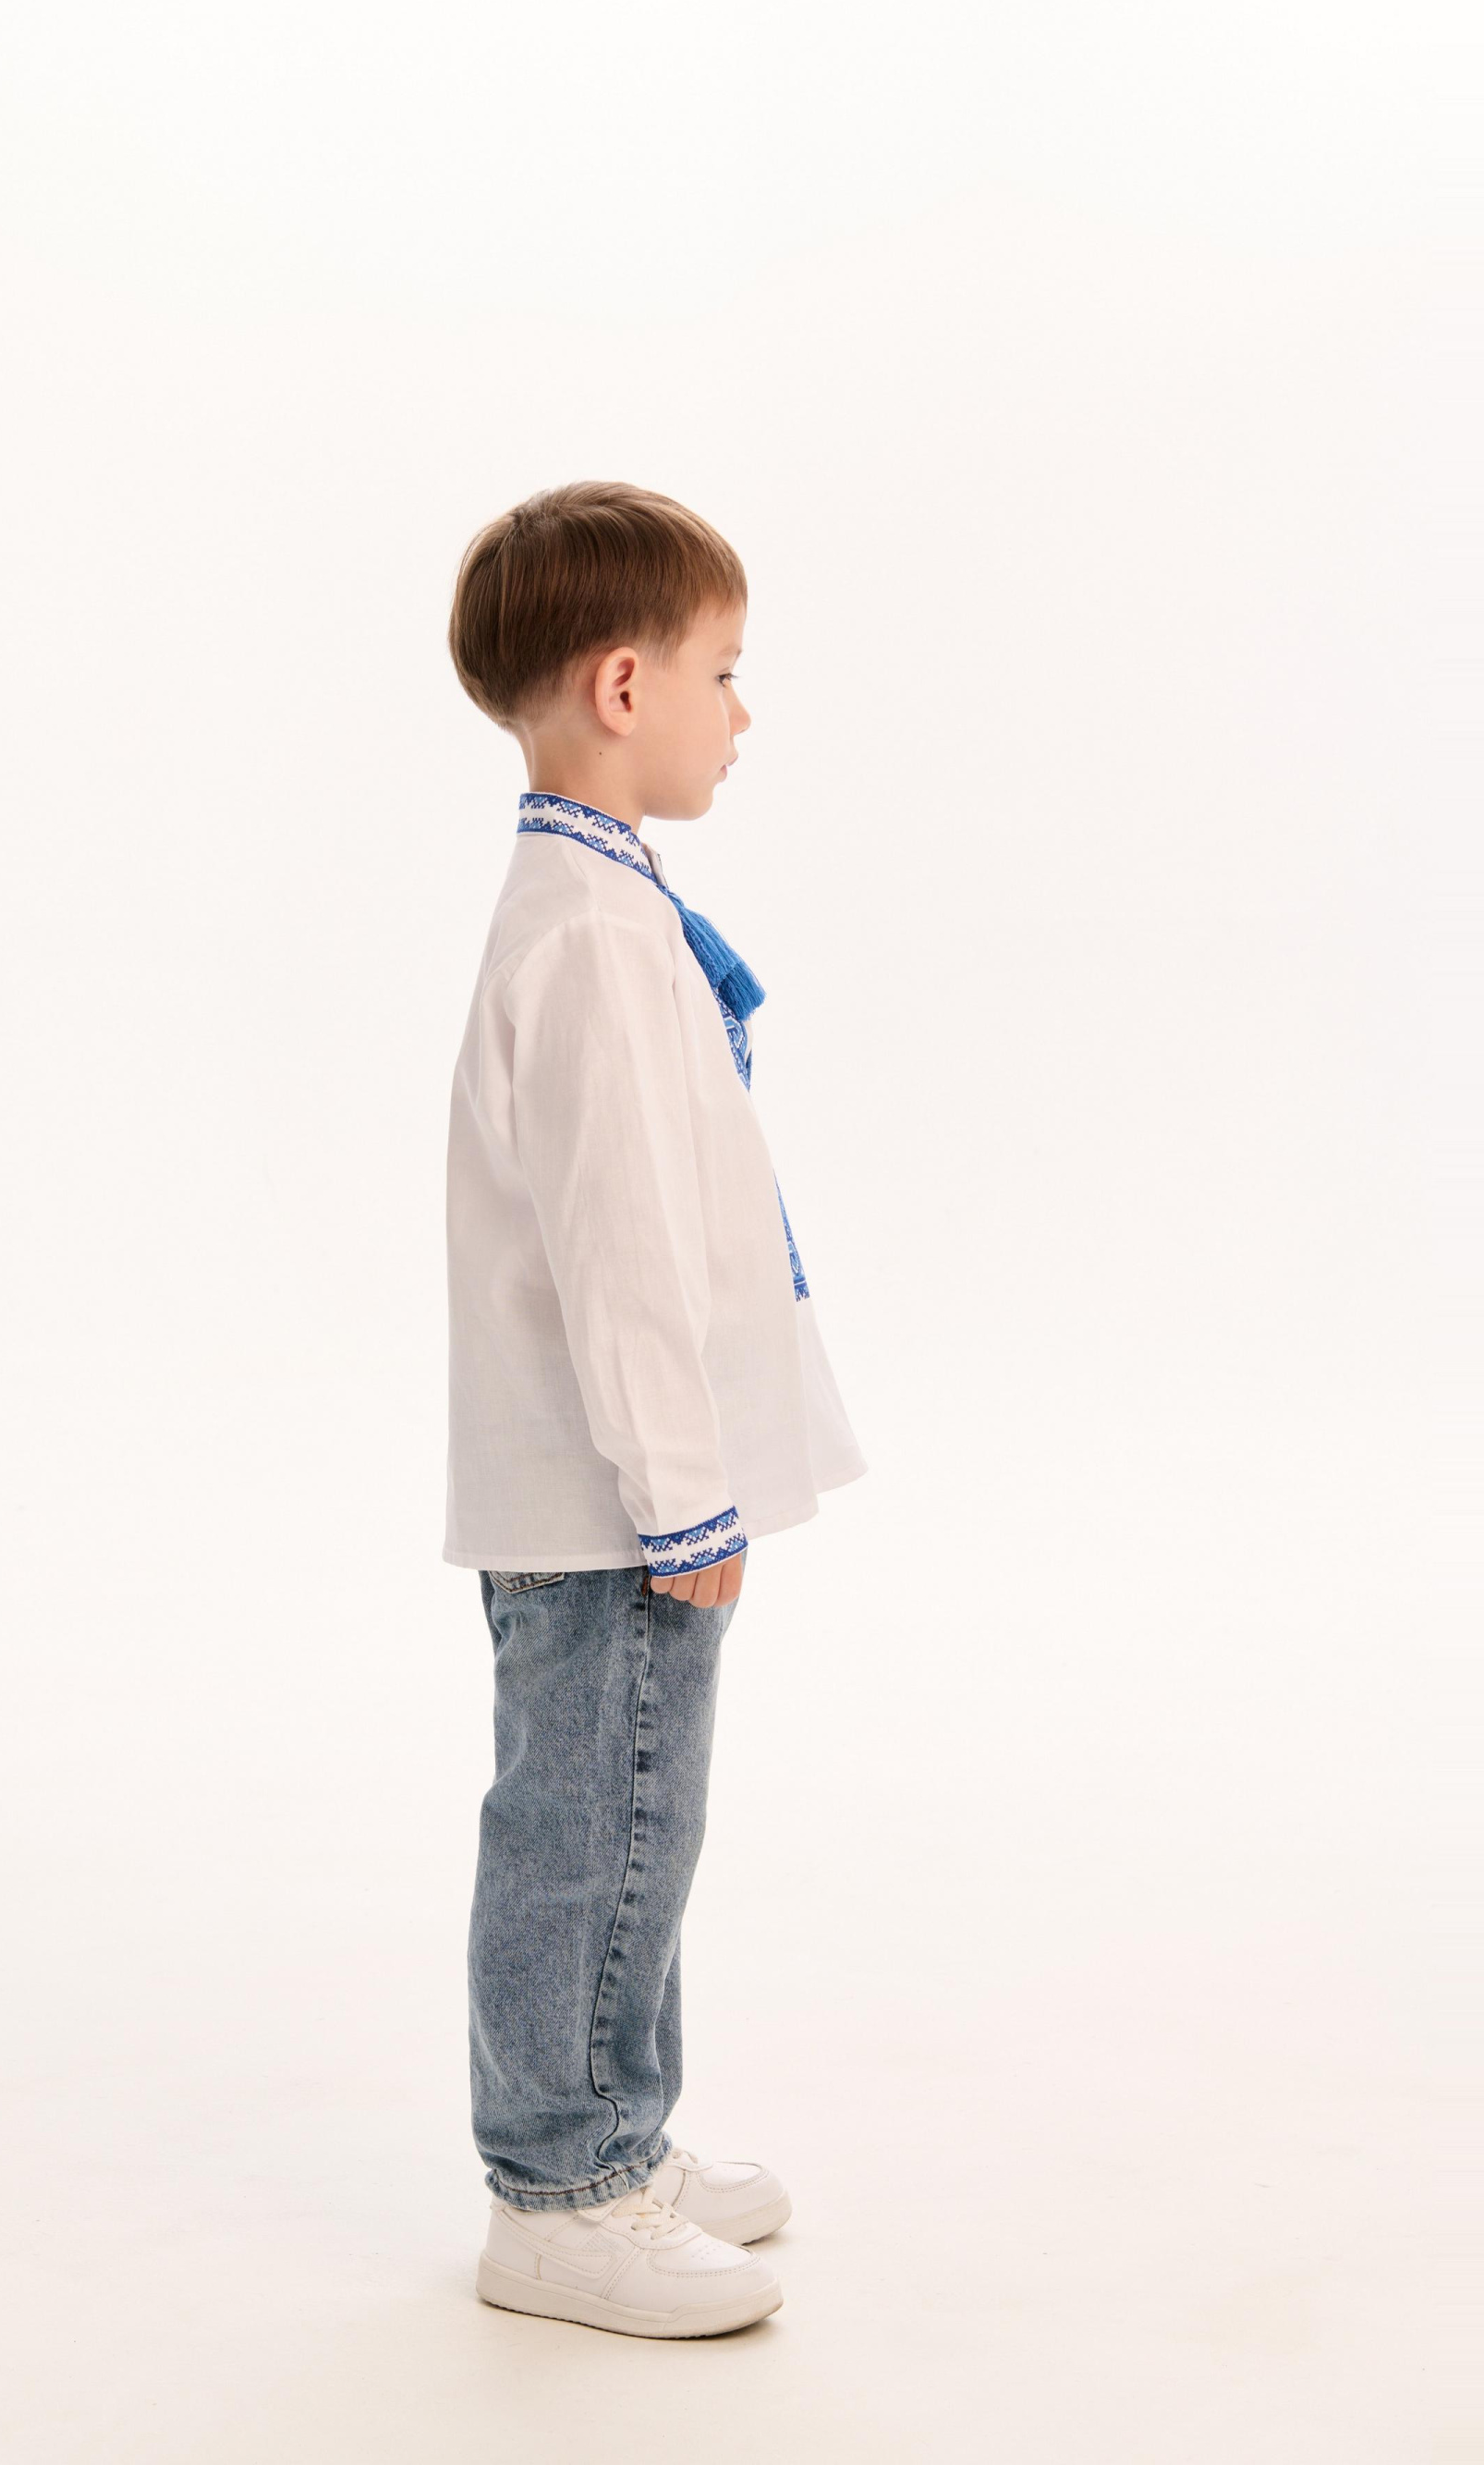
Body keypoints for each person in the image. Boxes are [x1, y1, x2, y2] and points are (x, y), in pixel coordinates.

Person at [442, 481, 868, 2337]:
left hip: (618, 1492)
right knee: (591, 1830)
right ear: (625, 687)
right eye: (723, 672)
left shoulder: (602, 907)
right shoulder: (593, 942)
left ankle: (618, 2133)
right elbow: (618, 1250)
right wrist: (681, 1495)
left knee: (635, 1822)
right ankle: (557, 2187)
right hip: (612, 1503)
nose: (740, 713)